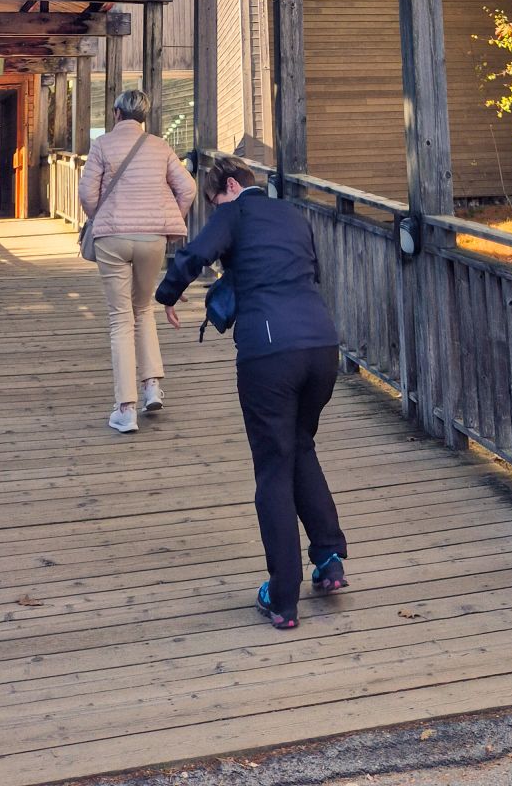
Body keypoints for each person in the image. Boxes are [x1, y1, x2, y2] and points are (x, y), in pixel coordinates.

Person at [154, 157, 348, 630]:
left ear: (232, 186)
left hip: (268, 354)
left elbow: (195, 254)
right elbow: (311, 272)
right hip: (321, 345)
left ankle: (282, 597)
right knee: (300, 446)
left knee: (273, 468)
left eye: (215, 199)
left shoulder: (235, 212)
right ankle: (328, 559)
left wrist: (166, 293)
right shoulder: (295, 215)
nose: (216, 207)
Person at [79, 89, 196, 434]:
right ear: (144, 116)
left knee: (120, 318)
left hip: (112, 238)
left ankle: (125, 409)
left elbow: (87, 193)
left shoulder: (102, 146)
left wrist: (100, 218)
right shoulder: (160, 147)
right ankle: (151, 388)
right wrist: (167, 219)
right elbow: (187, 189)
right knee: (143, 308)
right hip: (152, 239)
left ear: (116, 113)